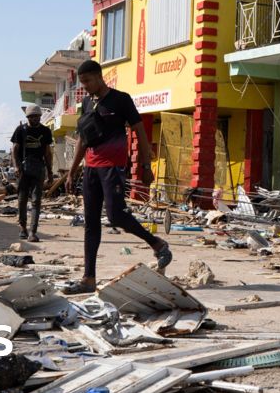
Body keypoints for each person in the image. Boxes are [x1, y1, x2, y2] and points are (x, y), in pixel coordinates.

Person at [62, 60, 171, 293]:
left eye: (88, 81)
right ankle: (88, 279)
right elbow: (83, 138)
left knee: (116, 215)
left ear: (100, 77)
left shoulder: (121, 99)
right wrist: (72, 171)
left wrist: (145, 164)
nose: (86, 86)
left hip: (113, 167)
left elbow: (139, 130)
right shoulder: (87, 102)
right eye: (82, 83)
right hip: (91, 168)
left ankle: (157, 244)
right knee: (91, 223)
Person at [10, 104, 54, 242]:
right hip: (23, 170)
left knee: (36, 201)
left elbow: (47, 153)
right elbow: (14, 150)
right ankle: (23, 228)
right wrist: (17, 167)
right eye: (33, 117)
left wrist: (50, 171)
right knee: (22, 201)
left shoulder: (45, 131)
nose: (36, 119)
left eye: (38, 116)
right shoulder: (21, 130)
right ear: (28, 117)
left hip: (39, 169)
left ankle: (32, 232)